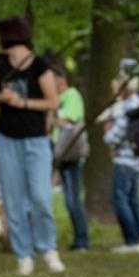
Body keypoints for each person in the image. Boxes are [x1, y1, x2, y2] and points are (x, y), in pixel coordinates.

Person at [0, 16, 63, 275]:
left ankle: (48, 248)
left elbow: (53, 102)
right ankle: (23, 255)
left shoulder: (40, 66)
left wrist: (23, 103)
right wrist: (1, 98)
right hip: (6, 139)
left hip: (36, 139)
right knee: (13, 200)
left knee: (41, 197)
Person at [103, 75, 139, 252]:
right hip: (136, 160)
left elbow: (115, 134)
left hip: (124, 159)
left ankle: (132, 240)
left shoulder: (127, 108)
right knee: (134, 200)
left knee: (121, 199)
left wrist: (107, 133)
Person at [53, 66, 91, 251]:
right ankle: (79, 240)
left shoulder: (71, 96)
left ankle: (82, 240)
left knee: (73, 200)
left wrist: (51, 119)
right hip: (62, 155)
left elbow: (70, 121)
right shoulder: (58, 99)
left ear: (60, 80)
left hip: (71, 155)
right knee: (69, 200)